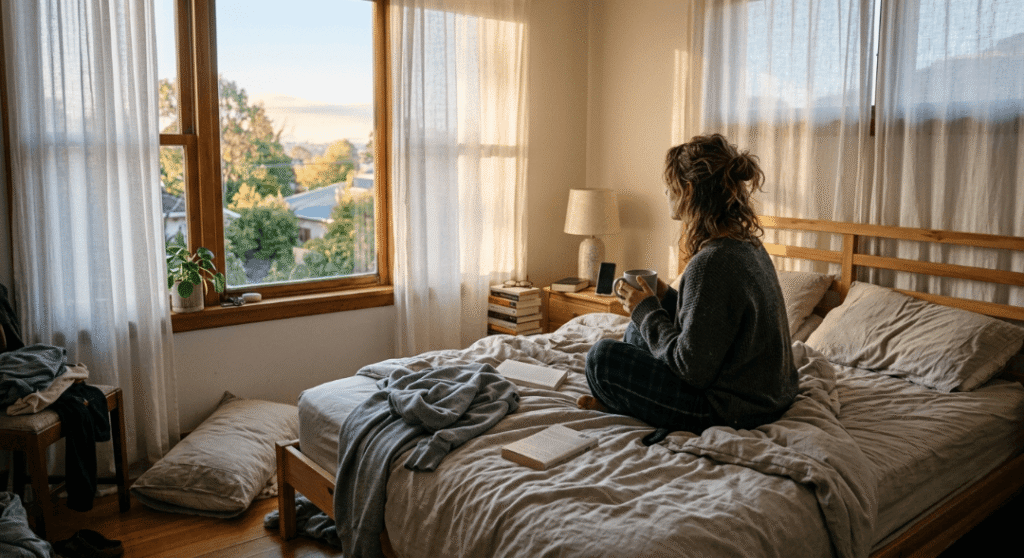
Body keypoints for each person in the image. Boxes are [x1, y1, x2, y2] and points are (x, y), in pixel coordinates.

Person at [577, 133, 798, 444]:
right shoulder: (747, 244)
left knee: (601, 358)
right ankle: (625, 400)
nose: (666, 191)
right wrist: (666, 297)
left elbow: (691, 368)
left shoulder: (710, 262)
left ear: (689, 190)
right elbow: (712, 321)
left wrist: (646, 309)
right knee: (637, 333)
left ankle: (623, 402)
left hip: (732, 409)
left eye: (670, 184)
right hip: (767, 395)